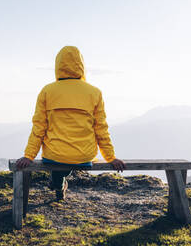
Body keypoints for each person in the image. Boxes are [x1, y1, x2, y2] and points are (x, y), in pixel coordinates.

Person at [16, 46, 125, 200]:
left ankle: (58, 184)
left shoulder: (47, 91)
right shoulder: (94, 92)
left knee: (59, 159)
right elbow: (101, 129)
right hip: (84, 155)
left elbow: (39, 127)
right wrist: (111, 157)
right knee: (71, 158)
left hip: (54, 153)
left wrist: (29, 156)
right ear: (81, 65)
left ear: (58, 65)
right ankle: (59, 184)